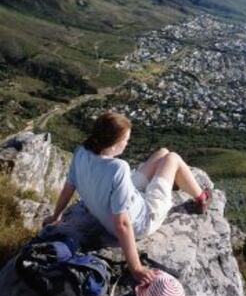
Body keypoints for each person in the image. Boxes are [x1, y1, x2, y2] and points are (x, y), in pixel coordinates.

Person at [43, 111, 211, 285]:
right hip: (143, 218)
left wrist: (56, 216)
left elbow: (68, 187)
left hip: (122, 200)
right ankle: (202, 197)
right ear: (114, 143)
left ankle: (168, 180)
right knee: (172, 158)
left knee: (163, 152)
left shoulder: (81, 152)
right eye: (125, 140)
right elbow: (122, 224)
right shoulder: (118, 168)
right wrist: (136, 268)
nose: (127, 143)